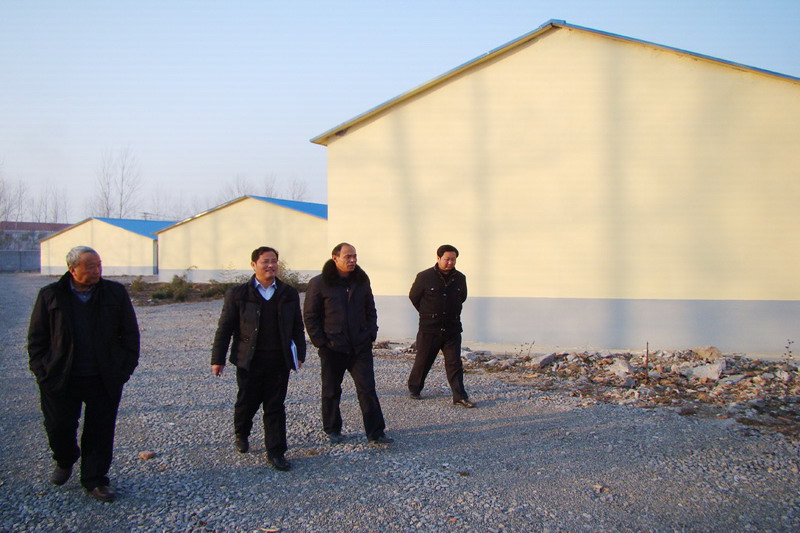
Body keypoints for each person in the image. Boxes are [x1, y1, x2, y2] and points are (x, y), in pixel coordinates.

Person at [27, 246, 140, 502]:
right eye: (90, 266)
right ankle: (65, 458)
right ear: (72, 269)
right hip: (60, 377)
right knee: (58, 427)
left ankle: (95, 479)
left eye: (99, 264)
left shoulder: (114, 293)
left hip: (103, 377)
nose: (97, 270)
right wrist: (42, 370)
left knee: (100, 430)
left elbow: (130, 334)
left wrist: (124, 368)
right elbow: (37, 338)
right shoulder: (51, 295)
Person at [211, 246, 306, 472]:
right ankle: (242, 433)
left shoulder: (288, 293)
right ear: (253, 265)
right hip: (249, 360)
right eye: (265, 261)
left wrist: (300, 354)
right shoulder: (238, 294)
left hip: (278, 360)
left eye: (274, 261)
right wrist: (218, 359)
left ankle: (276, 452)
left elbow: (297, 326)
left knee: (275, 406)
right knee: (247, 402)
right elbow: (225, 328)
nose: (270, 265)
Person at [303, 243, 393, 445]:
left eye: (354, 256)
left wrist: (371, 333)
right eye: (347, 256)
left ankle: (376, 433)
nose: (352, 260)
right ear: (335, 258)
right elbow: (310, 315)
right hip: (332, 347)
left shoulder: (361, 280)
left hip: (360, 346)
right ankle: (332, 428)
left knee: (367, 389)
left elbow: (370, 309)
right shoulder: (319, 283)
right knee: (331, 390)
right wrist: (321, 342)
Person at [407, 244, 475, 408]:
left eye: (453, 260)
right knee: (423, 360)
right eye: (447, 259)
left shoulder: (460, 278)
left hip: (452, 328)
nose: (450, 263)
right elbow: (414, 297)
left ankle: (459, 396)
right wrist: (428, 313)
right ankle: (415, 389)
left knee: (454, 363)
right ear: (438, 258)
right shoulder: (424, 276)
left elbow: (462, 297)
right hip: (430, 328)